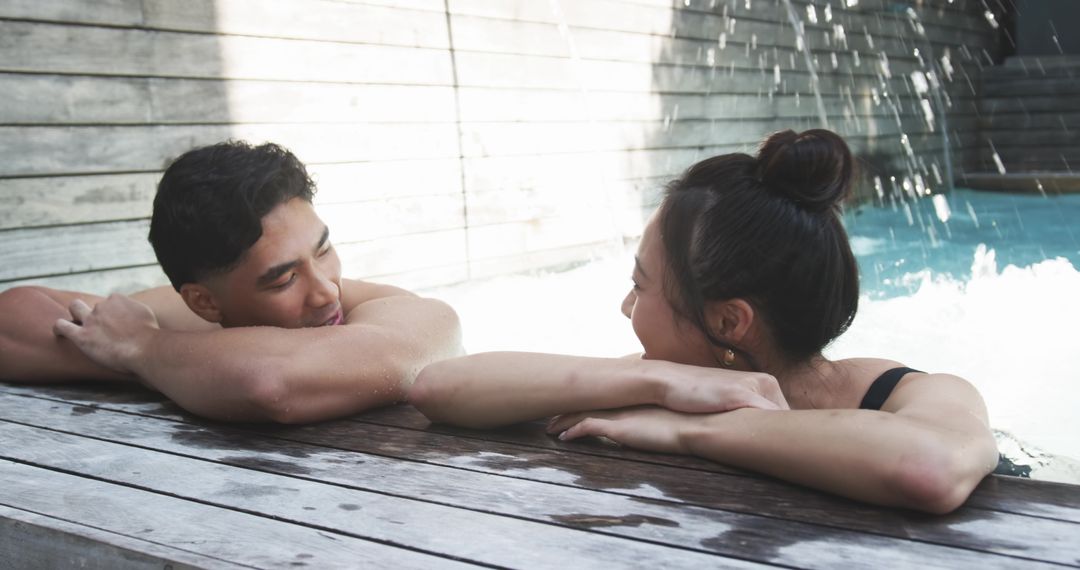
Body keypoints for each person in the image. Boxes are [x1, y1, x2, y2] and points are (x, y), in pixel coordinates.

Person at [410, 129, 999, 514]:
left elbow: (929, 466)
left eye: (639, 285)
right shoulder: (668, 378)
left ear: (728, 321)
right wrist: (657, 384)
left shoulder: (916, 394)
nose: (624, 306)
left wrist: (690, 432)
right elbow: (439, 388)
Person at [0, 141, 462, 423]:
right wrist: (187, 369)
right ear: (205, 302)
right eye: (283, 279)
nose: (326, 291)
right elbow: (12, 319)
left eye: (323, 250)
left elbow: (271, 382)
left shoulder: (390, 309)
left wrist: (144, 351)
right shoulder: (190, 318)